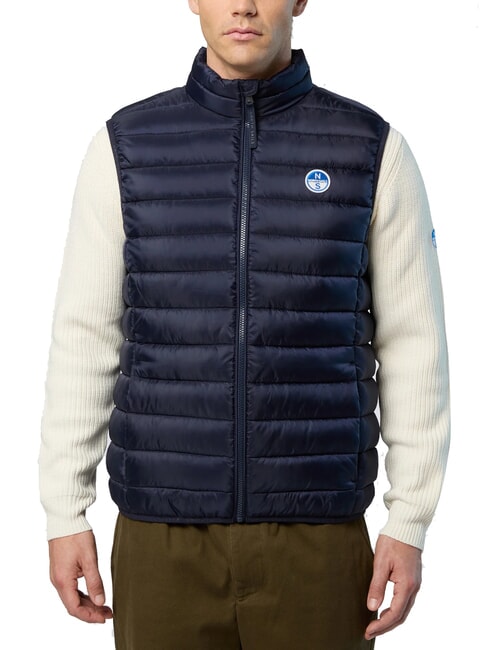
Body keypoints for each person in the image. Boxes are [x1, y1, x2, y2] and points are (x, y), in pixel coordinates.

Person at [38, 1, 450, 648]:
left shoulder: (370, 150)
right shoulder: (126, 148)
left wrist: (410, 520)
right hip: (160, 536)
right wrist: (65, 510)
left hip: (318, 538)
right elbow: (84, 337)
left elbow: (413, 345)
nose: (244, 5)